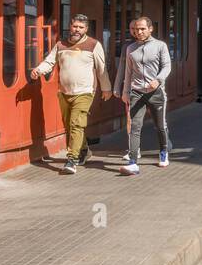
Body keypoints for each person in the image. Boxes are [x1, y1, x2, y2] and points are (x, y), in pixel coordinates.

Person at [32, 14, 114, 174]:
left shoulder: (93, 45)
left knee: (76, 124)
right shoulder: (61, 45)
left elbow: (101, 68)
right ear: (70, 26)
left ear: (86, 29)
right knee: (70, 125)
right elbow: (50, 61)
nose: (77, 30)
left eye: (81, 27)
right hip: (64, 92)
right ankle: (84, 151)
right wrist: (38, 70)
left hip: (85, 92)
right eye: (75, 26)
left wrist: (106, 88)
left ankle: (72, 160)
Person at [114, 16, 173, 175]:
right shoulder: (130, 48)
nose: (139, 32)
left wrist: (158, 80)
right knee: (135, 127)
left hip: (155, 92)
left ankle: (163, 152)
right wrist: (125, 92)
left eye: (142, 29)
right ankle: (133, 162)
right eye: (137, 29)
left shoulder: (160, 46)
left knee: (160, 126)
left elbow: (167, 66)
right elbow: (128, 72)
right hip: (136, 92)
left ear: (150, 29)